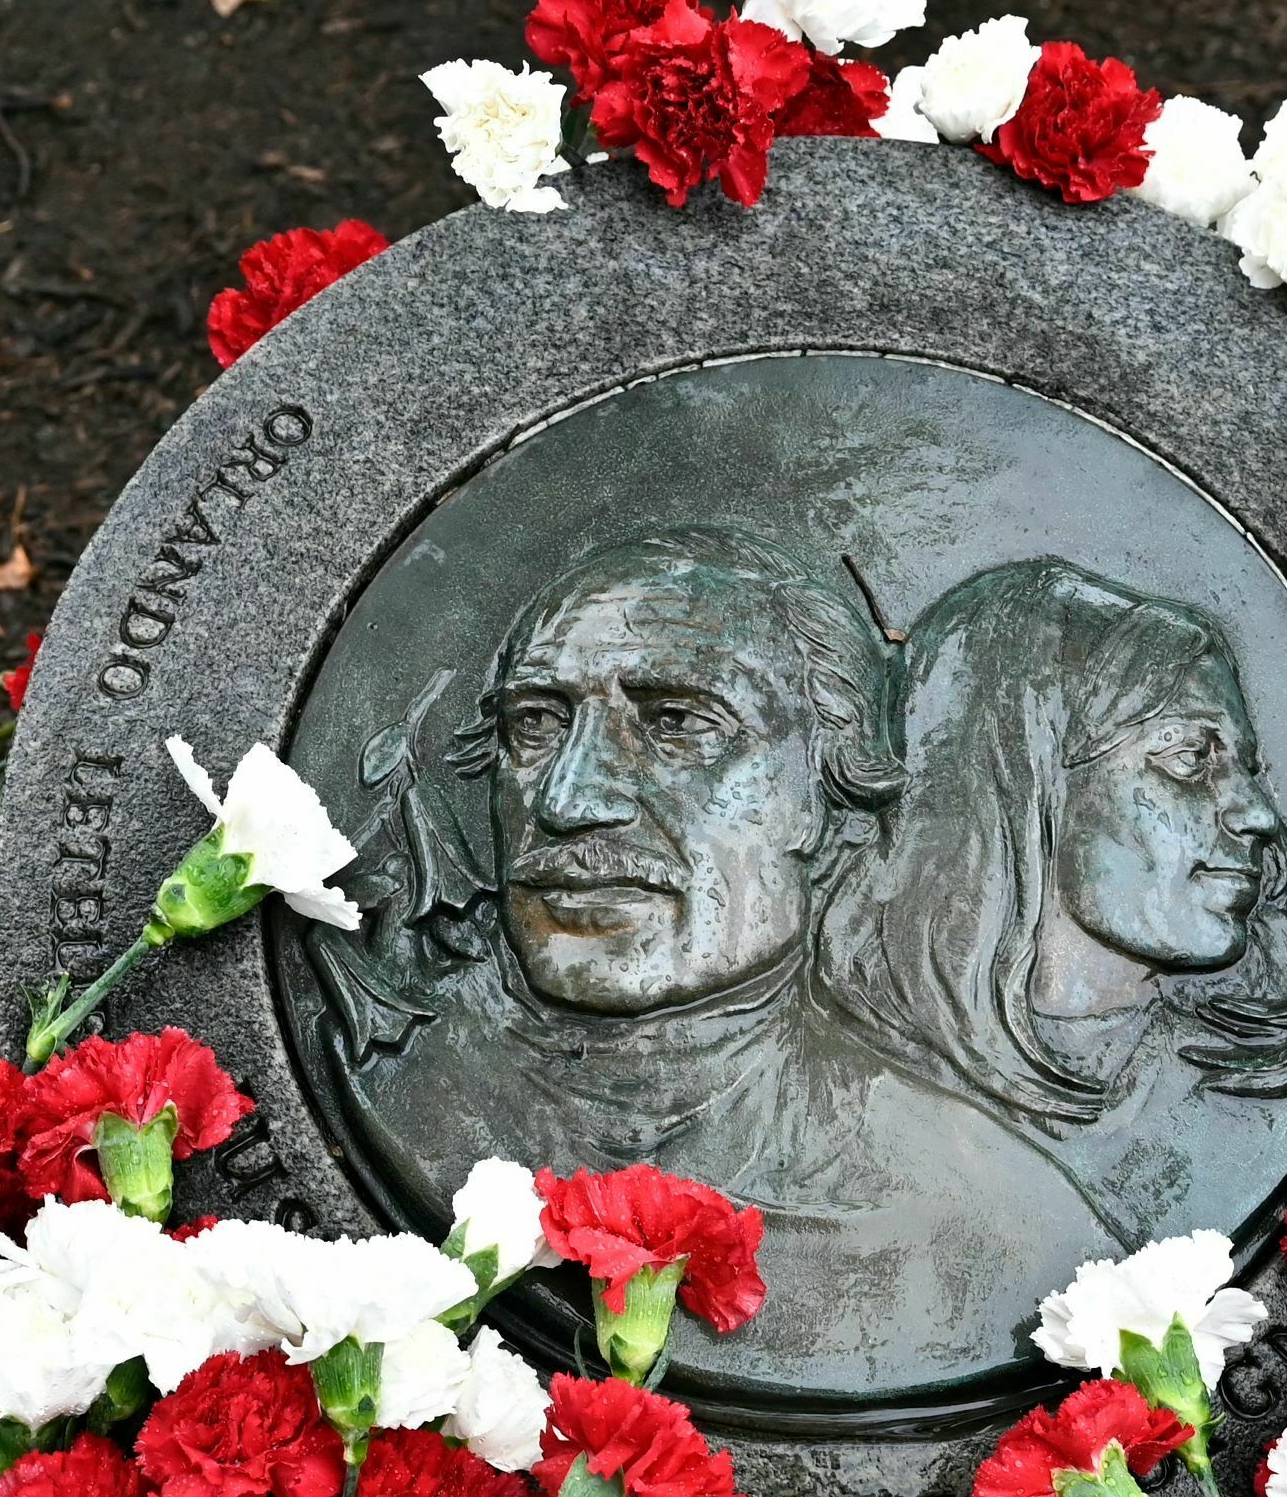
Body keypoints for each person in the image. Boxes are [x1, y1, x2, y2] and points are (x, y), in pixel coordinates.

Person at [294, 524, 1106, 1401]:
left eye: (676, 723)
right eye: (535, 724)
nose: (568, 799)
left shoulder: (992, 1227)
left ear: (829, 803)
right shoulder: (400, 1103)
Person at [820, 558, 1287, 1251]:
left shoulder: (1261, 1115)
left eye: (1247, 770)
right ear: (1020, 778)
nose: (1256, 815)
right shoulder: (813, 1102)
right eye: (1190, 758)